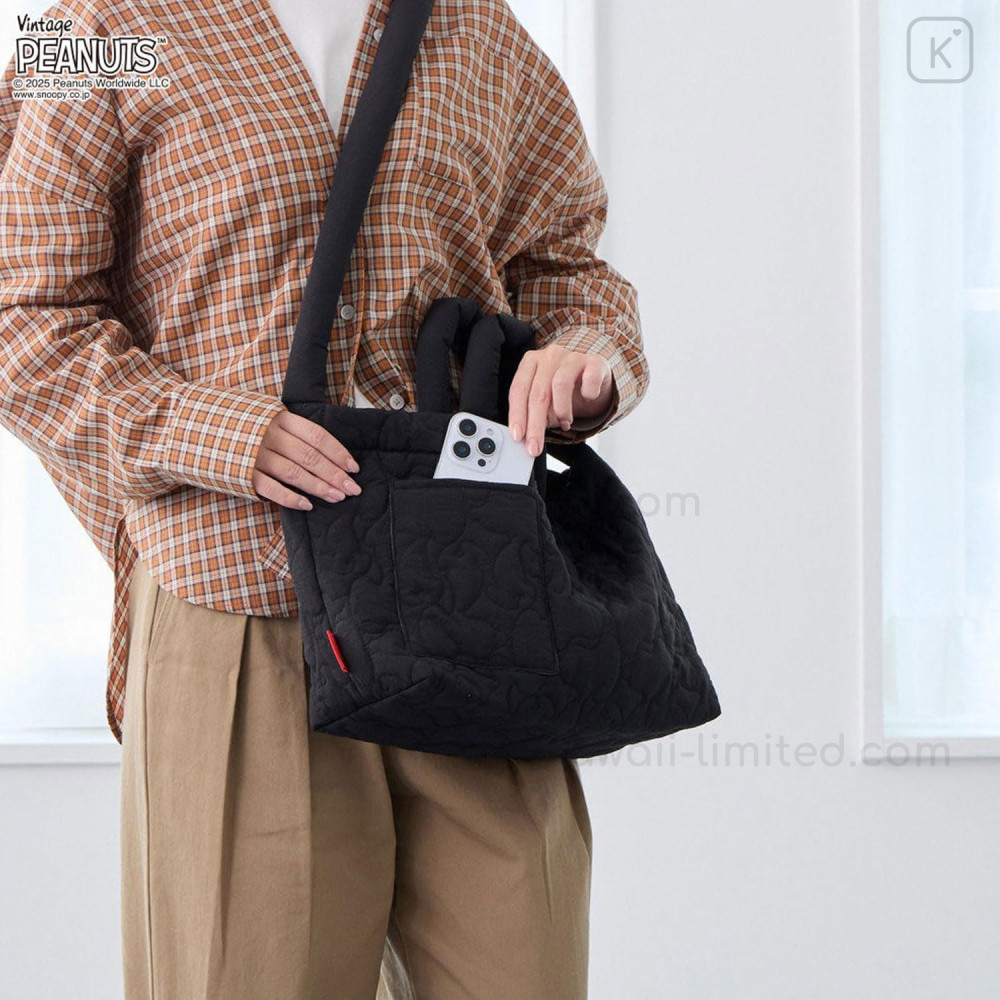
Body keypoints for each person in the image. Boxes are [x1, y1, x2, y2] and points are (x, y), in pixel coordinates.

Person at [0, 0, 649, 997]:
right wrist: (219, 431)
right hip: (237, 603)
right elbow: (20, 319)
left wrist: (586, 362)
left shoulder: (482, 28)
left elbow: (569, 269)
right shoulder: (86, 29)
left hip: (470, 596)